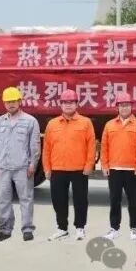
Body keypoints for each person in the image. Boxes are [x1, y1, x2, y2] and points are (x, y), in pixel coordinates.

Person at [0, 86, 41, 243]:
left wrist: (33, 164)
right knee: (3, 199)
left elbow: (35, 145)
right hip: (2, 167)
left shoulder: (30, 121)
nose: (11, 104)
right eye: (8, 101)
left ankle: (27, 229)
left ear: (19, 101)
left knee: (26, 198)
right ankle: (4, 230)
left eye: (13, 101)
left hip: (22, 167)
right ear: (4, 103)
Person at [43, 89, 96, 241]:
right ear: (60, 104)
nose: (68, 105)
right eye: (65, 102)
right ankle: (62, 228)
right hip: (57, 169)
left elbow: (91, 145)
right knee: (58, 200)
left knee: (80, 200)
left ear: (77, 104)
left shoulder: (86, 122)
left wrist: (89, 165)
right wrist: (47, 168)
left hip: (79, 169)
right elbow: (47, 148)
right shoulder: (52, 124)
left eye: (71, 102)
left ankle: (80, 227)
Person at [100, 92, 136, 241]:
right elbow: (104, 146)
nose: (124, 108)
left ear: (131, 106)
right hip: (114, 169)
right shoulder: (109, 125)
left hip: (132, 170)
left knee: (133, 201)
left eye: (127, 105)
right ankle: (114, 229)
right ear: (117, 107)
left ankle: (134, 228)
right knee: (115, 201)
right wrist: (104, 165)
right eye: (121, 105)